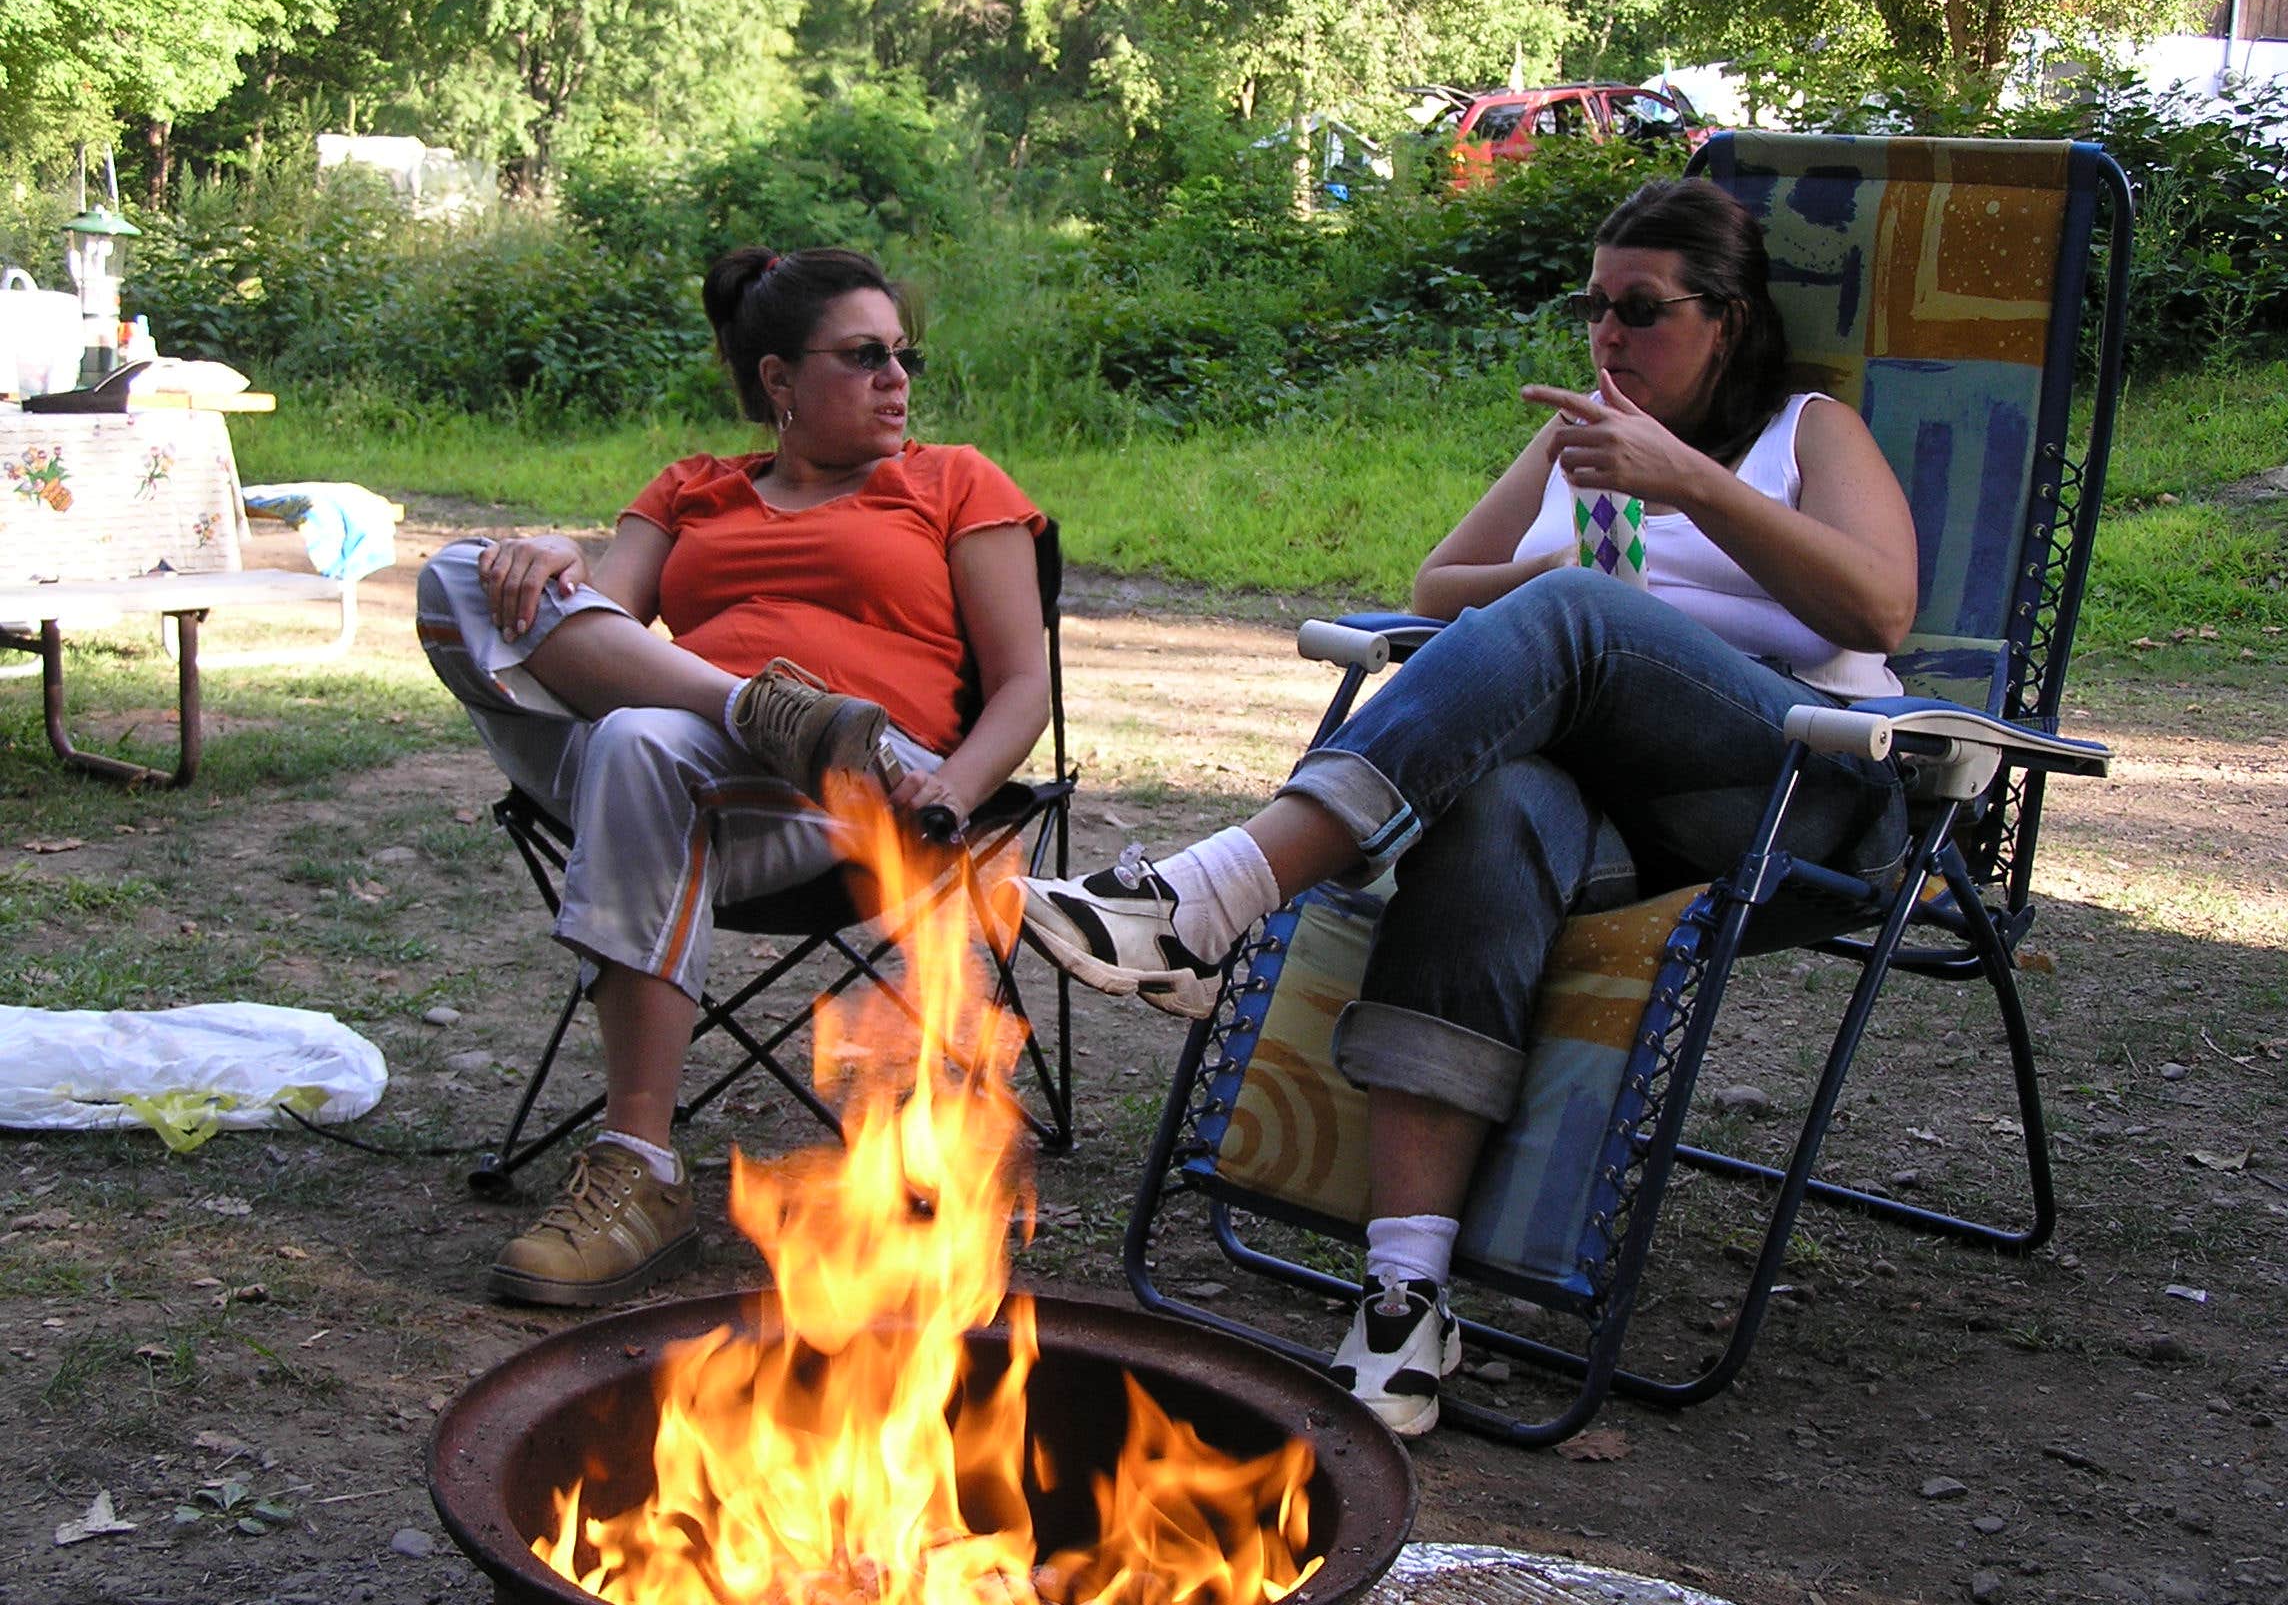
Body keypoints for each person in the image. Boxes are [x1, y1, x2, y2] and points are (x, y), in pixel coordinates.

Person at [1017, 178, 1917, 1436]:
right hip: (1601, 807)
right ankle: (1404, 1292)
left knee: (1575, 615)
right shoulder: (1576, 436)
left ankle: (1212, 894)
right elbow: (1440, 584)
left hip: (1778, 789)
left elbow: (1879, 612)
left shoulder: (1806, 433)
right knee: (1490, 809)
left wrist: (1685, 493)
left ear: (1725, 316)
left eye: (1640, 310)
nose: (1606, 337)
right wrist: (1552, 563)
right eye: (1592, 307)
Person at [416, 246, 1049, 1308]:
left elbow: (1023, 684)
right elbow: (585, 624)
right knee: (458, 575)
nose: (897, 377)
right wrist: (535, 553)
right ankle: (756, 708)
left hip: (861, 787)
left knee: (636, 743)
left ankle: (639, 1168)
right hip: (685, 757)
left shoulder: (954, 481)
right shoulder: (691, 490)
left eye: (903, 355)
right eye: (862, 355)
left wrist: (951, 787)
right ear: (777, 381)